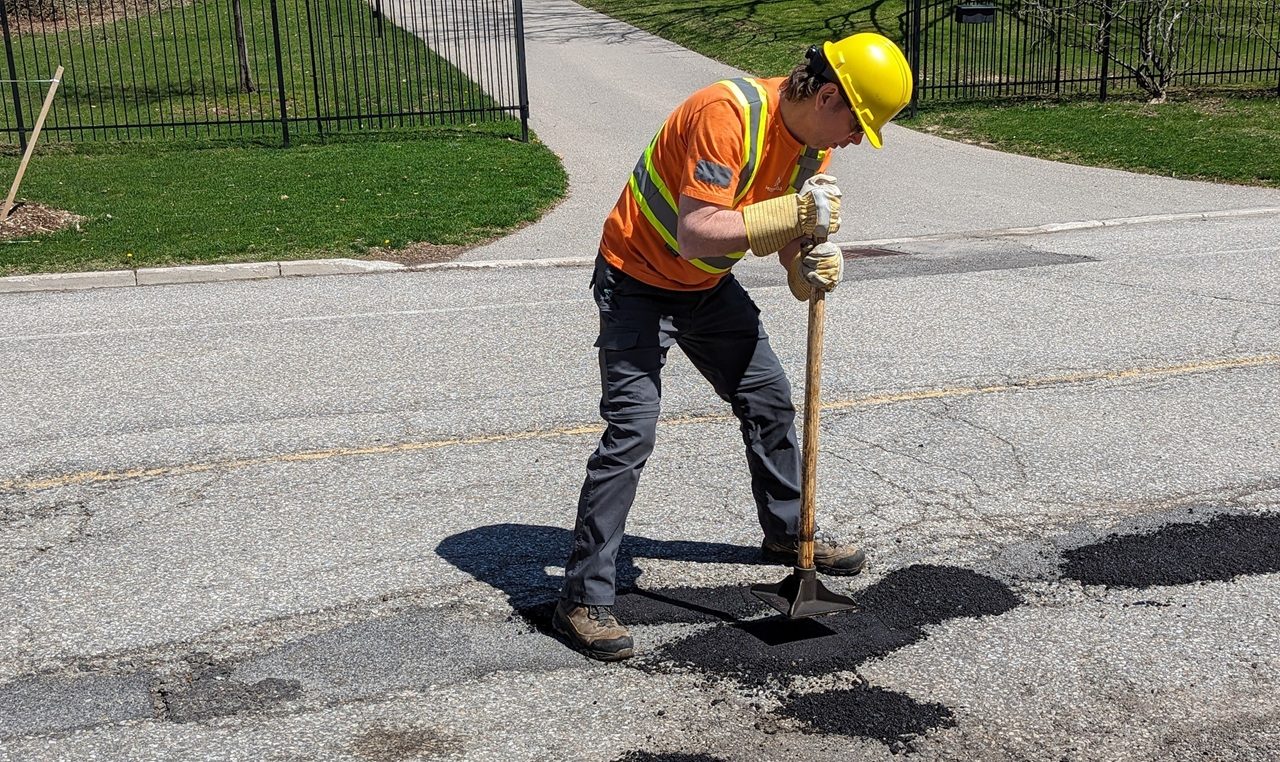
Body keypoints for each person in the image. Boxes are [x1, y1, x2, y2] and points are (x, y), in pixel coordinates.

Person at [554, 33, 915, 661]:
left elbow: (782, 234)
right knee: (632, 432)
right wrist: (798, 218)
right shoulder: (726, 115)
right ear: (828, 96)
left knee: (770, 399)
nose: (857, 140)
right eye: (858, 125)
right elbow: (698, 231)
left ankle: (788, 538)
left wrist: (807, 267)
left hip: (705, 288)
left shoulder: (813, 148)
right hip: (637, 279)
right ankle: (582, 597)